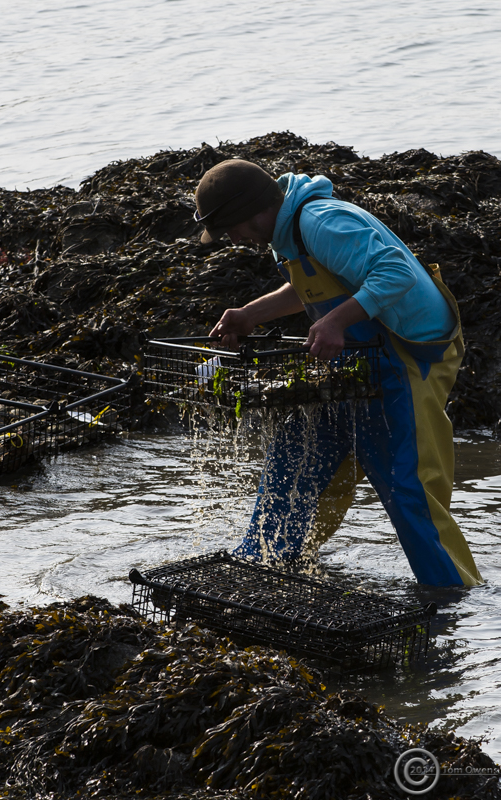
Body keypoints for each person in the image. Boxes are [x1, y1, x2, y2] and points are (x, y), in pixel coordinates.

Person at [194, 158, 482, 587]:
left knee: (409, 488)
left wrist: (336, 322)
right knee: (298, 458)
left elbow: (396, 272)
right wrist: (250, 314)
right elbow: (314, 285)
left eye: (230, 228)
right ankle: (269, 565)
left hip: (407, 355)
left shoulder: (321, 221)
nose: (232, 239)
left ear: (252, 211)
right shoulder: (287, 231)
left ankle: (454, 596)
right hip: (359, 361)